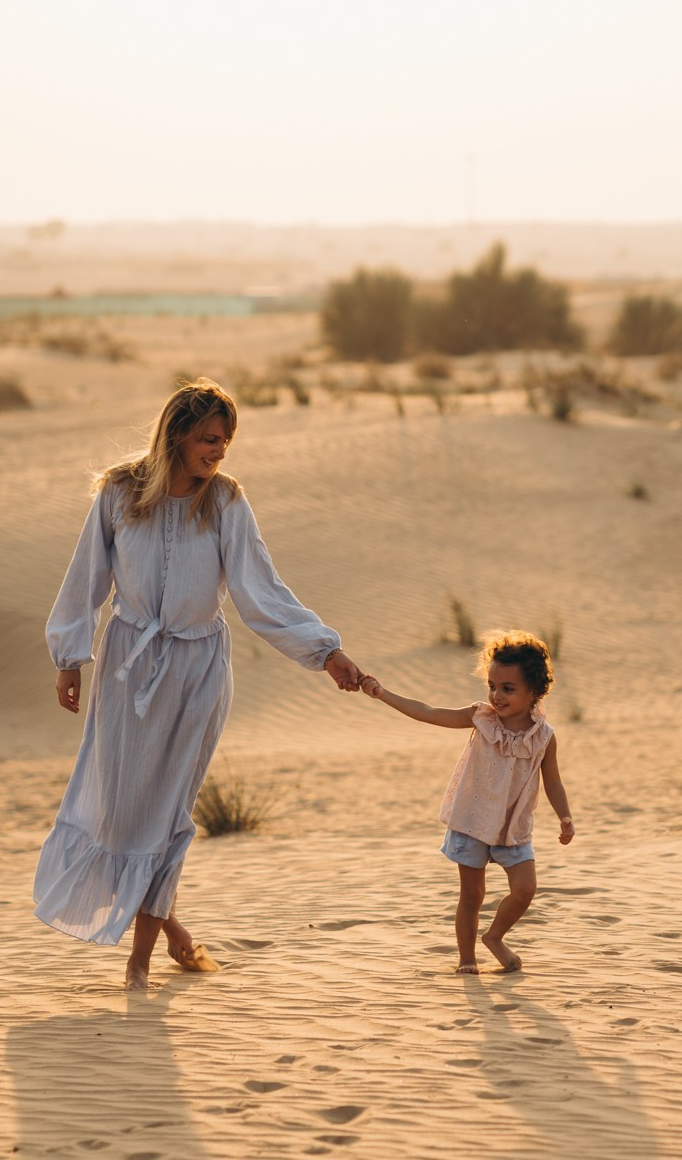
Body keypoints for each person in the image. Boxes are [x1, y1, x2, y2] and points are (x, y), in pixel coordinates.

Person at [34, 379, 362, 988]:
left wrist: (326, 651)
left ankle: (139, 965)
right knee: (120, 813)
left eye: (226, 441)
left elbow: (260, 590)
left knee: (170, 814)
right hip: (128, 663)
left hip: (197, 668)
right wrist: (68, 657)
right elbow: (86, 578)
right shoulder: (119, 492)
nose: (219, 451)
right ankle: (176, 933)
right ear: (177, 432)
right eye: (209, 438)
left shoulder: (227, 503)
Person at [358, 631, 574, 973]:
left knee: (525, 889)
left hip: (513, 826)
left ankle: (495, 937)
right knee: (472, 895)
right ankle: (467, 959)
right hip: (473, 820)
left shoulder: (545, 737)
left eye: (507, 688)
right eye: (492, 685)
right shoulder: (481, 718)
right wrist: (383, 694)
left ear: (534, 691)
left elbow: (554, 781)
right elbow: (429, 711)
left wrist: (565, 816)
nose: (496, 695)